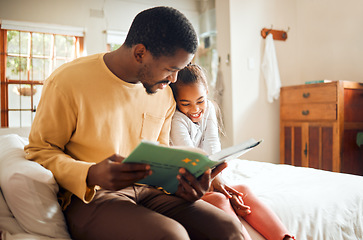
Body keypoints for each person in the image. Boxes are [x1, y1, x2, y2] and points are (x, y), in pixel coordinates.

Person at [24, 6, 245, 240]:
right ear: (140, 53)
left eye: (179, 70)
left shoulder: (164, 93)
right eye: (171, 69)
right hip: (93, 197)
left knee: (228, 227)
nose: (174, 80)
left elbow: (162, 154)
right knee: (172, 236)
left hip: (151, 191)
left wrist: (184, 186)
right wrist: (89, 173)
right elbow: (39, 150)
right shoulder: (67, 82)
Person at [169, 64, 295, 240]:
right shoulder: (177, 119)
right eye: (186, 103)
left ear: (206, 92)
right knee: (221, 200)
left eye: (200, 101)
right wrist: (219, 188)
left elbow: (213, 146)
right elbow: (193, 160)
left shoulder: (210, 109)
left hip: (210, 175)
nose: (195, 109)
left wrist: (220, 184)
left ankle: (285, 238)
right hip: (189, 185)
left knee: (242, 190)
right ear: (176, 101)